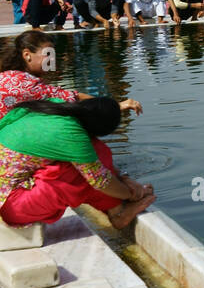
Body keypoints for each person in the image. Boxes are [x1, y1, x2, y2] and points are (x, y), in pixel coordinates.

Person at [0, 98, 154, 229]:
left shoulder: (55, 106)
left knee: (87, 163)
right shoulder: (72, 133)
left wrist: (124, 179)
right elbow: (101, 181)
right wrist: (132, 193)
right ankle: (119, 214)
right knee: (92, 161)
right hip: (12, 208)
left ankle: (116, 206)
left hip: (9, 197)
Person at [0, 29, 141, 117]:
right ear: (27, 55)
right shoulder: (27, 84)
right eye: (48, 54)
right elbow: (73, 97)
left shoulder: (8, 75)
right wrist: (116, 106)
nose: (52, 59)